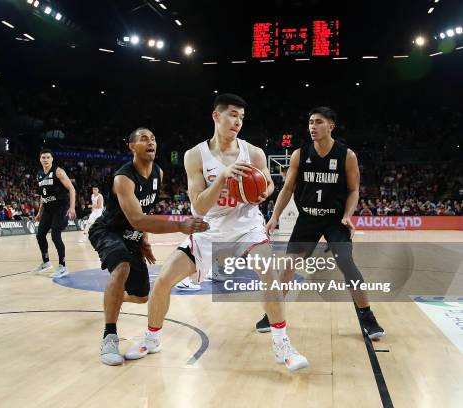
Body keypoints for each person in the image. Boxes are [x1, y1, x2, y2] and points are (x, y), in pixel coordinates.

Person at [124, 94, 309, 371]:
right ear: (216, 116)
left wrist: (261, 194)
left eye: (242, 117)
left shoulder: (254, 153)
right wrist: (223, 177)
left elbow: (269, 184)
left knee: (269, 273)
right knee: (162, 282)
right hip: (208, 230)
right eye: (233, 115)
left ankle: (282, 345)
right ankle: (152, 339)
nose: (238, 122)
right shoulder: (195, 155)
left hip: (246, 227)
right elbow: (198, 206)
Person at [255, 107, 385, 339]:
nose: (312, 127)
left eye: (318, 122)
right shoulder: (299, 154)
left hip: (335, 220)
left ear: (331, 126)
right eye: (310, 122)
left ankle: (367, 316)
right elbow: (287, 188)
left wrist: (347, 215)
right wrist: (274, 216)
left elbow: (354, 190)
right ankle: (272, 314)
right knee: (288, 268)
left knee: (347, 264)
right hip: (308, 219)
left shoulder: (347, 155)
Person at [88, 127, 209, 366]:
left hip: (133, 236)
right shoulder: (123, 178)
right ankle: (109, 336)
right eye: (144, 139)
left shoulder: (158, 173)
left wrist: (143, 239)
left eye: (153, 138)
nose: (151, 142)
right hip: (108, 231)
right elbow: (137, 219)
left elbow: (145, 212)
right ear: (132, 146)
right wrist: (179, 223)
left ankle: (111, 298)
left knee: (142, 296)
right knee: (121, 267)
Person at [32, 149, 76, 278]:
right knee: (40, 235)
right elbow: (42, 195)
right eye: (43, 157)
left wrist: (72, 207)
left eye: (47, 157)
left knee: (55, 235)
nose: (45, 159)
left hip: (60, 208)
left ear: (52, 159)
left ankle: (63, 266)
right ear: (40, 159)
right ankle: (46, 262)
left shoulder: (58, 171)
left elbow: (71, 189)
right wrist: (40, 212)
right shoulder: (39, 174)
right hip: (48, 209)